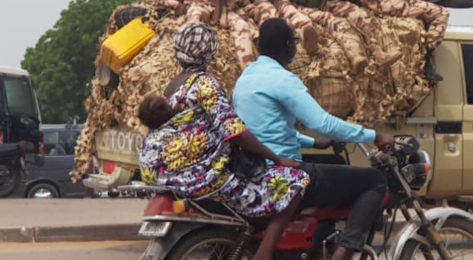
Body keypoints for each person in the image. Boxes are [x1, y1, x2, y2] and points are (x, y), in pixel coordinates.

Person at [137, 23, 310, 260]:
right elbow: (233, 130)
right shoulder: (204, 83)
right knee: (295, 181)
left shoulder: (173, 84)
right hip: (195, 174)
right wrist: (277, 158)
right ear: (210, 52)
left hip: (160, 170)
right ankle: (265, 252)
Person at [232, 18, 396, 260]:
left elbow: (267, 128)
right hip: (284, 174)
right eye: (295, 43)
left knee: (337, 168)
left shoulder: (245, 79)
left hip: (254, 169)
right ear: (289, 45)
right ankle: (344, 251)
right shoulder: (283, 80)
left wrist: (313, 143)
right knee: (374, 180)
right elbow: (322, 123)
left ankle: (319, 243)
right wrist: (374, 135)